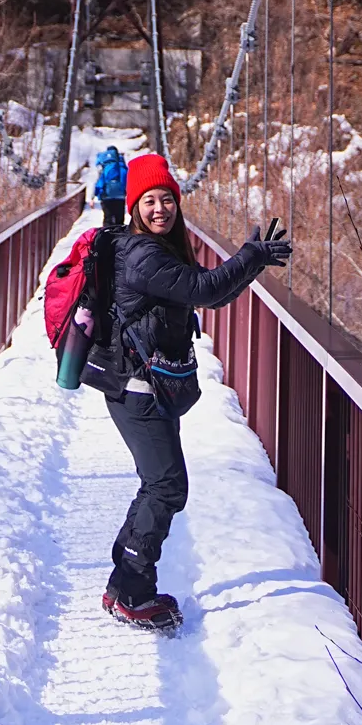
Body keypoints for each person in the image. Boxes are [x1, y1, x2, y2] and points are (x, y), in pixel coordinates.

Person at [84, 151, 289, 631]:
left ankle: (124, 583)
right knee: (167, 485)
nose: (161, 209)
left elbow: (199, 291)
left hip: (142, 385)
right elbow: (207, 289)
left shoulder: (152, 248)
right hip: (137, 389)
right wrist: (251, 257)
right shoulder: (142, 254)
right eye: (150, 201)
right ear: (134, 206)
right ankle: (132, 591)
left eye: (168, 199)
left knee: (158, 483)